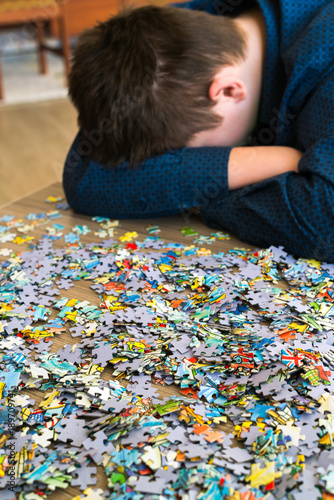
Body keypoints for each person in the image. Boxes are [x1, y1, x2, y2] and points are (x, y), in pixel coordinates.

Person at [64, 0, 334, 262]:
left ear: (228, 91)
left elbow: (325, 224)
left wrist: (199, 196)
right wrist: (256, 164)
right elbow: (85, 176)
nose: (166, 163)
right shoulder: (182, 30)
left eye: (186, 152)